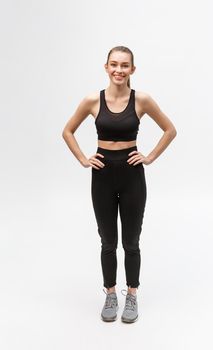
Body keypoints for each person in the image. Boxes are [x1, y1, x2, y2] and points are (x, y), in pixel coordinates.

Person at [62, 45, 177, 323]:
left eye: (125, 65)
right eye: (114, 64)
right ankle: (111, 293)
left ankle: (133, 295)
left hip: (131, 175)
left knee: (132, 242)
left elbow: (170, 129)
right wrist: (82, 159)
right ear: (106, 67)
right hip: (102, 175)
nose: (119, 70)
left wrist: (148, 157)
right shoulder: (92, 100)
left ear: (132, 70)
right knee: (108, 241)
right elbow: (67, 131)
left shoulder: (142, 100)